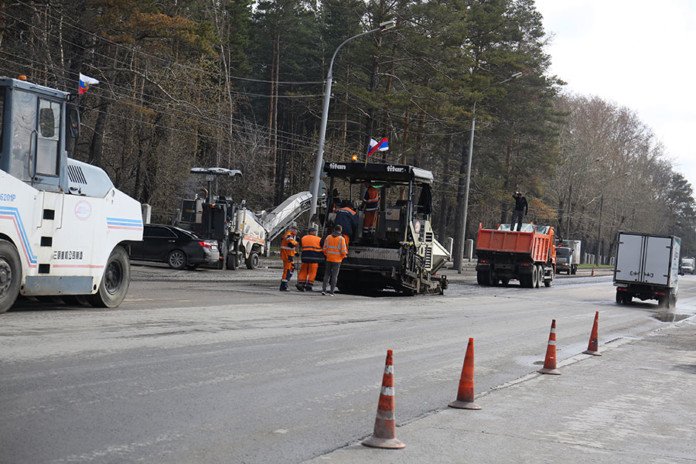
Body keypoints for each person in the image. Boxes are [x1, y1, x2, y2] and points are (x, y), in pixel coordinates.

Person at [322, 224, 348, 296]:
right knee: (334, 276)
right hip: (337, 260)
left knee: (327, 274)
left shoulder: (328, 237)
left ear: (334, 229)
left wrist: (327, 255)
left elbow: (324, 249)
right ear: (340, 230)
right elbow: (343, 251)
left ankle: (324, 290)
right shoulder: (341, 239)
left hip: (329, 258)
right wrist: (344, 256)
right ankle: (331, 292)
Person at [296, 226, 323, 292]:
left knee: (303, 270)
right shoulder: (319, 239)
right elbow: (323, 247)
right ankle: (309, 285)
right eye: (315, 231)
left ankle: (301, 283)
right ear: (313, 232)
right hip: (314, 258)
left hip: (305, 257)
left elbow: (300, 245)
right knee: (312, 272)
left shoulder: (303, 238)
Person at [279, 224, 298, 291]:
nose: (296, 232)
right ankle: (283, 285)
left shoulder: (290, 235)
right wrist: (297, 243)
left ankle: (286, 281)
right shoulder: (288, 235)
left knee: (291, 268)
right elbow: (291, 243)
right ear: (293, 230)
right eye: (296, 231)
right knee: (287, 270)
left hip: (289, 255)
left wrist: (295, 253)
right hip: (287, 256)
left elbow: (290, 247)